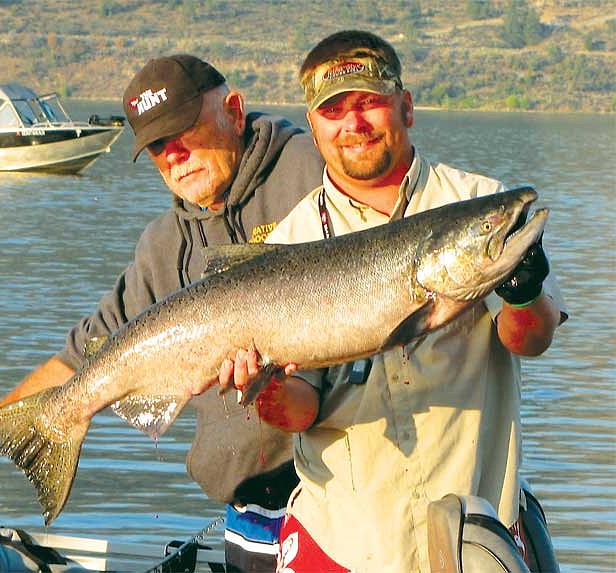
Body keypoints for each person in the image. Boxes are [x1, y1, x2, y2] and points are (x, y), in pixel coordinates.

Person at [0, 54, 324, 572]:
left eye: (185, 130)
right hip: (248, 509)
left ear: (234, 109)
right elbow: (81, 357)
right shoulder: (163, 245)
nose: (176, 155)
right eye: (158, 146)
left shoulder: (314, 171)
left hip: (339, 494)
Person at [218, 30, 568, 572]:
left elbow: (531, 339)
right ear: (313, 127)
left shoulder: (477, 205)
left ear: (405, 106)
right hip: (346, 541)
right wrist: (260, 388)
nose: (353, 125)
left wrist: (525, 291)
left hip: (471, 532)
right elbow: (302, 410)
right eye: (334, 111)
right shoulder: (290, 241)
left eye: (369, 104)